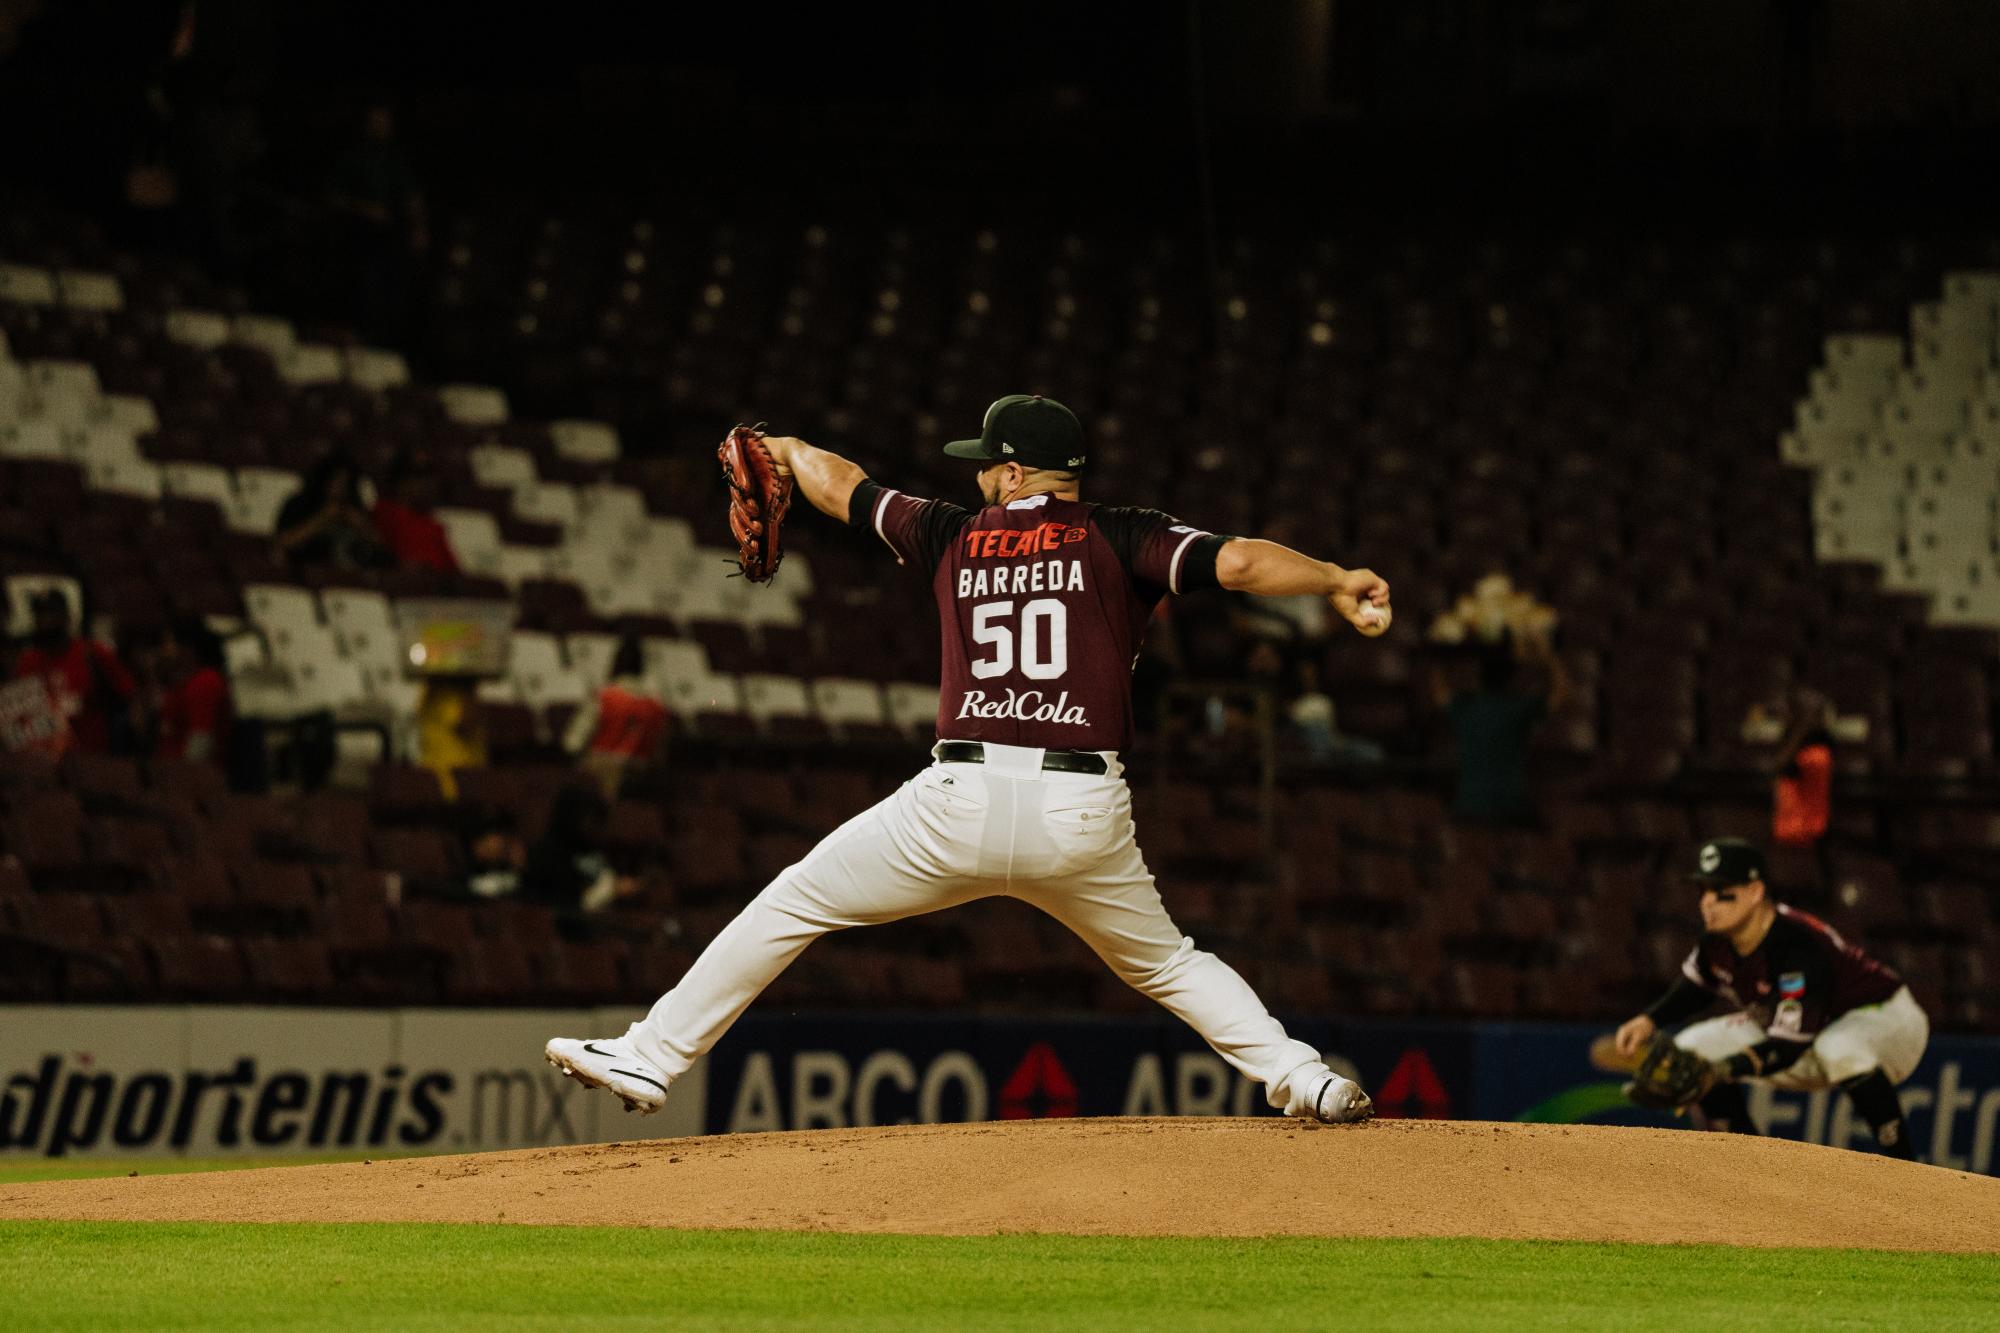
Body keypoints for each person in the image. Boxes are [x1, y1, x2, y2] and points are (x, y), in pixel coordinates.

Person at [546, 393, 1391, 1125]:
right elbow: (1240, 562)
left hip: (959, 799)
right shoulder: (1121, 537)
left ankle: (650, 1056)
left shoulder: (951, 533)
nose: (981, 476)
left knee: (794, 900)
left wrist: (793, 452)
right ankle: (1303, 1078)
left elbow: (849, 490)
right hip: (1081, 809)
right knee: (1171, 962)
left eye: (991, 464)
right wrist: (1335, 579)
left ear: (1020, 473)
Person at [1612, 838, 1929, 1159]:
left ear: (1755, 893)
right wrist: (1649, 1019)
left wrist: (1723, 1069)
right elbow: (1696, 988)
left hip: (1883, 1021)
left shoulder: (1798, 946)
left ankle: (1904, 1164)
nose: (1708, 901)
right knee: (1693, 1049)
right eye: (1703, 890)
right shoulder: (1715, 940)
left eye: (1722, 891)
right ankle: (1751, 1161)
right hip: (1803, 1031)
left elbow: (1788, 1046)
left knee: (1840, 1048)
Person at [1432, 631, 1569, 825]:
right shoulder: (1519, 708)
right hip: (1510, 809)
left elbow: (1439, 692)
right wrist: (1548, 656)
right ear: (1512, 677)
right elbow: (1559, 694)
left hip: (1470, 807)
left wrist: (1445, 654)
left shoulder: (1465, 706)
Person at [12, 589, 139, 754]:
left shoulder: (92, 653)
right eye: (40, 615)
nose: (45, 621)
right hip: (44, 761)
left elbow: (129, 692)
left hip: (91, 758)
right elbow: (19, 717)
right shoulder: (27, 662)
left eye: (51, 613)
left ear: (66, 616)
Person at [564, 634, 669, 799]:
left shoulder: (604, 698)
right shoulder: (657, 708)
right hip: (640, 783)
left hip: (598, 780)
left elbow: (573, 744)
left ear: (616, 664)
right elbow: (659, 754)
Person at [522, 784, 641, 914]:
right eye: (591, 820)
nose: (596, 828)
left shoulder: (593, 847)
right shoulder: (547, 853)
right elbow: (568, 907)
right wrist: (613, 890)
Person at [274, 453, 387, 570]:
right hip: (304, 571)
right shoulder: (299, 504)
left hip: (349, 576)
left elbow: (379, 546)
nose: (340, 487)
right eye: (337, 480)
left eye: (345, 483)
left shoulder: (353, 508)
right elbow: (283, 543)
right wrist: (322, 518)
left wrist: (359, 524)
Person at [150, 615, 232, 764]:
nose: (162, 649)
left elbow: (201, 739)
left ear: (186, 647)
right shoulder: (180, 683)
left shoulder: (205, 682)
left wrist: (185, 777)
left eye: (167, 642)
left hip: (190, 778)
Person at [372, 449, 459, 574]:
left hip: (434, 590)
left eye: (428, 476)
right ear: (400, 478)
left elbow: (454, 573)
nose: (425, 483)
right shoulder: (382, 512)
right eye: (418, 475)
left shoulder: (433, 525)